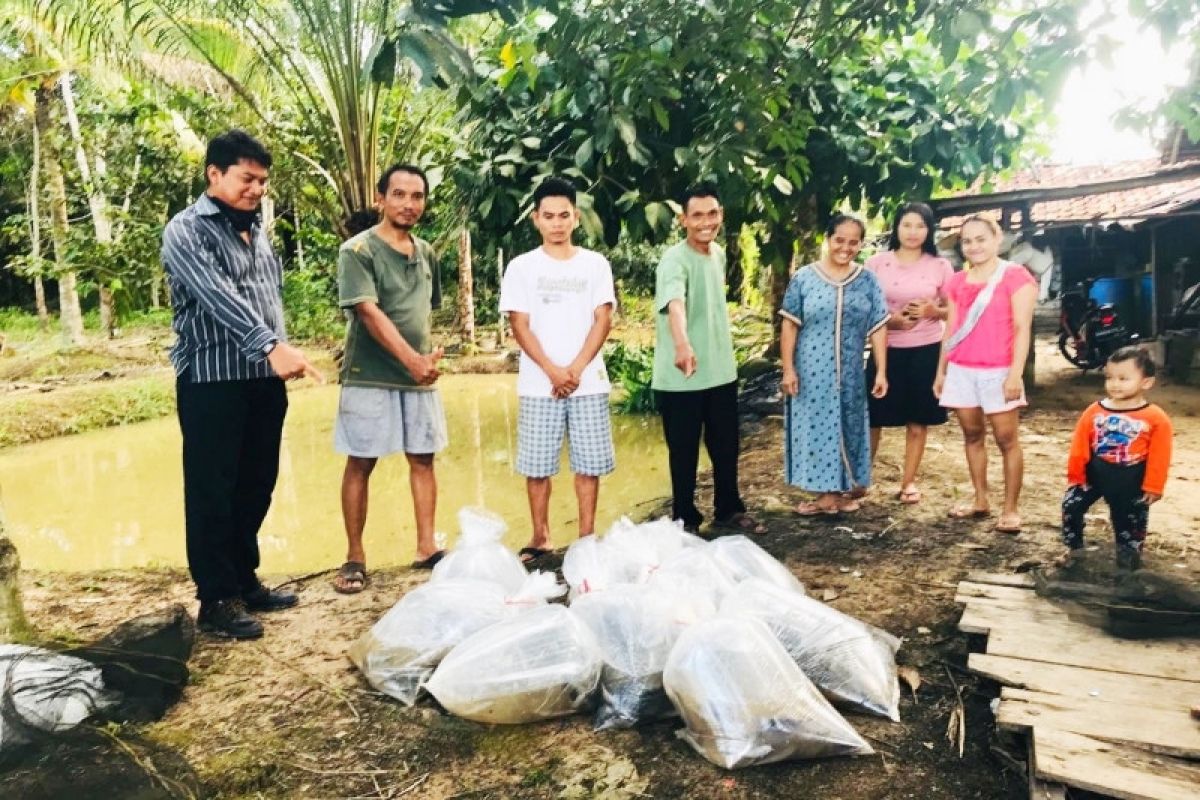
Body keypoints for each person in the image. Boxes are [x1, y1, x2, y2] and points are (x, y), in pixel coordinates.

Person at [162, 130, 323, 640]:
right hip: (211, 381)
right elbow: (217, 297)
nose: (256, 189)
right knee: (213, 489)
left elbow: (265, 297)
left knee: (257, 481)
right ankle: (215, 599)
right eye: (246, 179)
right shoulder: (185, 231)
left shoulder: (256, 228)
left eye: (262, 181)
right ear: (215, 174)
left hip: (262, 380)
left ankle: (244, 578)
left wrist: (280, 347)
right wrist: (271, 345)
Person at [332, 164, 448, 593]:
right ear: (381, 199)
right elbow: (368, 311)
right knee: (361, 461)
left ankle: (426, 547)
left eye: (417, 196)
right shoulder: (357, 251)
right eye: (399, 195)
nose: (409, 204)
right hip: (369, 374)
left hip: (419, 376)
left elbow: (422, 309)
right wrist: (411, 361)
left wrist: (426, 361)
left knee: (423, 457)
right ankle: (355, 557)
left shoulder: (427, 253)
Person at [499, 177, 616, 561]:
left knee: (589, 465)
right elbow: (519, 324)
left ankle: (586, 536)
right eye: (548, 216)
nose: (556, 223)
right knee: (537, 466)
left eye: (564, 215)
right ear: (536, 220)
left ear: (576, 218)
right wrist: (552, 370)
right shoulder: (521, 267)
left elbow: (602, 318)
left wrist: (575, 370)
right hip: (539, 383)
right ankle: (540, 536)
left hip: (587, 382)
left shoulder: (595, 265)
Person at [651, 184, 764, 534]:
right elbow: (675, 304)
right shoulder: (674, 260)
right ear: (683, 220)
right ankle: (685, 518)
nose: (705, 222)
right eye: (696, 215)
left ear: (721, 216)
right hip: (682, 376)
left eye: (712, 214)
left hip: (720, 371)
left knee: (726, 446)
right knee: (683, 453)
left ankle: (728, 509)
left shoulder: (717, 254)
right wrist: (683, 344)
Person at [779, 214, 890, 515]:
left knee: (849, 422)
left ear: (860, 244)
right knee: (816, 426)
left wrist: (881, 370)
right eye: (840, 240)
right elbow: (789, 325)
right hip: (811, 370)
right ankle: (823, 495)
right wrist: (788, 368)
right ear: (828, 239)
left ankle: (842, 488)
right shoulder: (804, 278)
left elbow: (878, 326)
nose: (846, 247)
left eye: (853, 242)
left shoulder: (867, 280)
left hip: (851, 371)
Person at [933, 215, 1037, 533]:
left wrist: (1015, 375)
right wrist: (942, 372)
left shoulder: (1016, 277)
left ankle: (1011, 509)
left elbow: (1022, 329)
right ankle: (980, 499)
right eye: (967, 241)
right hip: (962, 369)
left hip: (999, 370)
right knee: (972, 436)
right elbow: (949, 330)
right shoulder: (956, 282)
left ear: (996, 239)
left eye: (981, 239)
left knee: (1007, 440)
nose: (974, 246)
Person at [865, 202, 954, 505]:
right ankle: (862, 479)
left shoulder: (940, 266)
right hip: (885, 351)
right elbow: (865, 310)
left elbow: (954, 312)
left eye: (920, 226)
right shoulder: (877, 263)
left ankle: (909, 483)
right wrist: (893, 321)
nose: (913, 232)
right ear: (896, 228)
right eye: (906, 225)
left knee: (918, 420)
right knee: (873, 417)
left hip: (926, 350)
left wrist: (933, 310)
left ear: (929, 230)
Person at [1061, 347, 1172, 570]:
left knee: (1129, 522)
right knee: (1071, 507)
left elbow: (1161, 455)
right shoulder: (1095, 410)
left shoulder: (1155, 417)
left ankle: (1128, 563)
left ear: (1146, 382)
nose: (1115, 384)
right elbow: (1080, 443)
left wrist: (1154, 485)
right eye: (1109, 377)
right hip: (1095, 473)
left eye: (1124, 378)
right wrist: (1077, 474)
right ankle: (1074, 551)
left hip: (1131, 479)